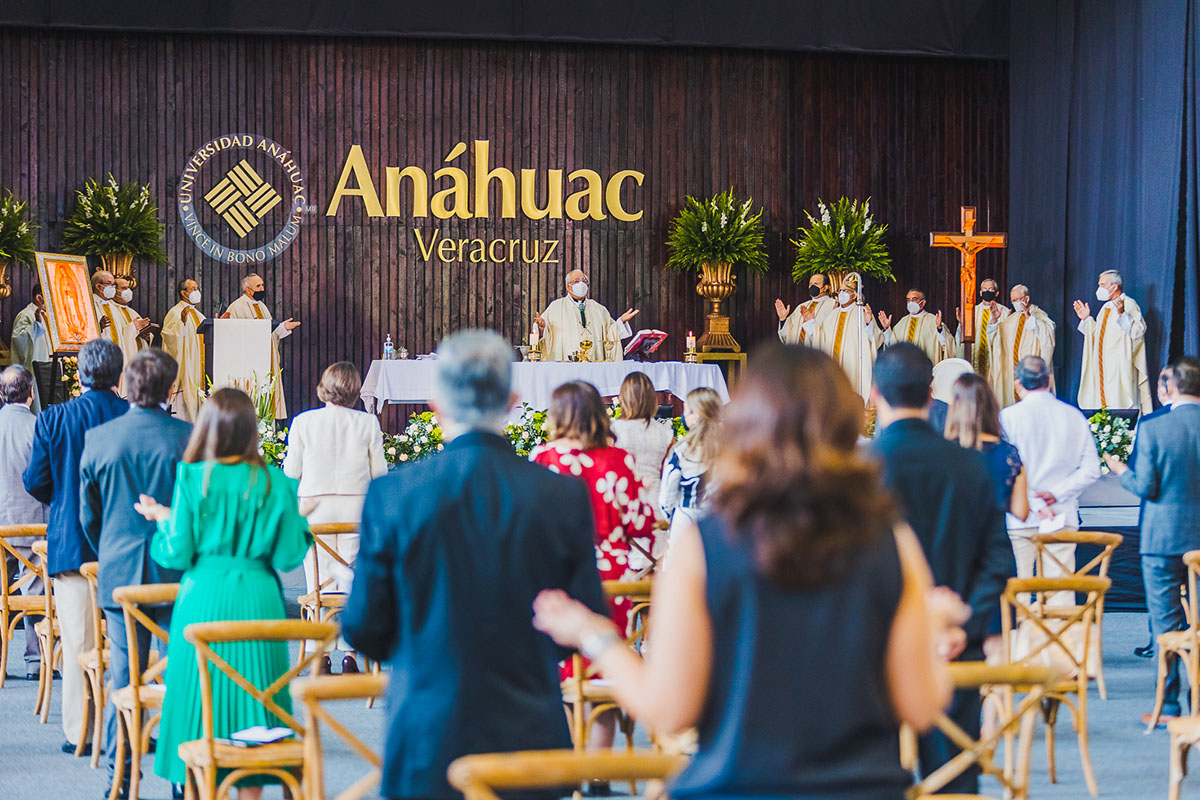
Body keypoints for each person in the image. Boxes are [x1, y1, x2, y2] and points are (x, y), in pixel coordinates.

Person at [532, 344, 963, 800]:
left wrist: (593, 633)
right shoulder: (892, 541)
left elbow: (669, 710)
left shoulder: (706, 545)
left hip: (737, 786)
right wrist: (931, 626)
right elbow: (921, 706)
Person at [341, 330, 607, 800]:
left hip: (428, 734)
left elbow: (363, 628)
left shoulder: (394, 495)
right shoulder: (561, 495)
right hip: (530, 734)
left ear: (435, 404)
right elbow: (584, 619)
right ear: (513, 400)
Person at [134, 388, 311, 799]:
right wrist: (301, 528)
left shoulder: (193, 479)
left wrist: (163, 524)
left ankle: (196, 786)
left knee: (198, 699)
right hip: (259, 600)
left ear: (208, 429)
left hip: (203, 599)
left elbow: (177, 551)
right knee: (257, 700)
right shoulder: (276, 483)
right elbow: (288, 556)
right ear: (251, 429)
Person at [871, 343, 1014, 794]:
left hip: (875, 659)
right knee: (953, 781)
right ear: (932, 392)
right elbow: (998, 561)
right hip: (956, 652)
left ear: (874, 393)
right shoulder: (970, 466)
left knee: (873, 781)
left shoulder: (859, 470)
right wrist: (964, 627)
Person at [79, 348, 191, 794]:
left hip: (120, 572)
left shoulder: (101, 438)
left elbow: (89, 515)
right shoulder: (190, 437)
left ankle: (120, 780)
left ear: (126, 385)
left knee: (123, 679)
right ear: (169, 389)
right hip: (176, 572)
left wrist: (108, 549)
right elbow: (195, 510)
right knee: (181, 675)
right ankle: (184, 778)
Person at [22, 338, 129, 754]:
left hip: (71, 544)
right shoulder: (132, 414)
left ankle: (80, 732)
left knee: (78, 642)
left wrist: (65, 500)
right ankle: (129, 724)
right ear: (119, 375)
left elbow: (35, 481)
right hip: (124, 546)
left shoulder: (55, 418)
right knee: (128, 642)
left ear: (79, 375)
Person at [1104, 356, 1200, 725]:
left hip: (1162, 541)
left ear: (1171, 387)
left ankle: (1171, 706)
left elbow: (1145, 487)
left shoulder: (1155, 428)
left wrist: (1120, 470)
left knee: (1167, 624)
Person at [282, 361, 387, 675]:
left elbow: (291, 472)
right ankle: (351, 654)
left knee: (318, 585)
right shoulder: (368, 423)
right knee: (351, 583)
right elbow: (380, 474)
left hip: (316, 511)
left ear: (323, 387)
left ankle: (321, 654)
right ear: (355, 391)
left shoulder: (304, 422)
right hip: (356, 512)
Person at [1000, 356, 1101, 583]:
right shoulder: (1073, 415)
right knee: (1060, 590)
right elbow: (1092, 469)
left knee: (1019, 593)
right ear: (1051, 380)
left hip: (1020, 518)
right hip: (1061, 515)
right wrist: (1055, 495)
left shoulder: (1007, 418)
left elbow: (1006, 471)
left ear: (1017, 384)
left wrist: (1034, 503)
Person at [0, 365, 48, 680]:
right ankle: (36, 661)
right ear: (30, 393)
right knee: (37, 587)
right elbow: (46, 477)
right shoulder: (39, 426)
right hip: (30, 523)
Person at [945, 372, 1030, 521]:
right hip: (996, 539)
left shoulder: (944, 452)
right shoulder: (1009, 453)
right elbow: (1021, 511)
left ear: (955, 409)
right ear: (991, 406)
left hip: (957, 540)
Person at [223, 273, 301, 419]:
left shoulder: (262, 307)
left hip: (267, 362)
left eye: (262, 285)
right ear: (247, 289)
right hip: (250, 364)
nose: (262, 288)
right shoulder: (236, 307)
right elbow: (232, 337)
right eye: (258, 286)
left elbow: (270, 334)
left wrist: (284, 327)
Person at [1073, 269, 1152, 412]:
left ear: (1114, 286)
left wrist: (1122, 314)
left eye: (1102, 284)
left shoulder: (1129, 304)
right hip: (1103, 367)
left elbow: (1138, 331)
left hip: (1119, 367)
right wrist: (1086, 319)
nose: (1099, 289)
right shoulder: (1105, 308)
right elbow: (1097, 335)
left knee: (1120, 404)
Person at [800, 273, 881, 400]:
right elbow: (821, 340)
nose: (841, 293)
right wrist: (811, 322)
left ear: (855, 295)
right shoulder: (832, 315)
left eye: (846, 291)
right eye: (840, 290)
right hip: (834, 369)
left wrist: (868, 323)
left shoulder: (862, 313)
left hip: (853, 368)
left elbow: (875, 340)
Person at [659, 387, 721, 547]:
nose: (683, 416)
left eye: (687, 411)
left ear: (696, 416)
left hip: (686, 519)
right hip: (718, 522)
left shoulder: (682, 451)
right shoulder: (730, 448)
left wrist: (669, 515)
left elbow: (668, 493)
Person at [534, 269, 638, 361]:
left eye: (584, 281)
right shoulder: (556, 307)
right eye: (576, 281)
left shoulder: (599, 309)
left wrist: (621, 322)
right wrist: (541, 329)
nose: (581, 284)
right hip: (566, 364)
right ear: (568, 287)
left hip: (594, 364)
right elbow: (541, 335)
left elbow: (610, 336)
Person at [609, 371, 674, 518]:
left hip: (623, 502)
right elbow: (669, 472)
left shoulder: (613, 430)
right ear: (652, 398)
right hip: (656, 503)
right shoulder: (665, 432)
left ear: (623, 398)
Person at [993, 284, 1056, 408]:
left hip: (1031, 372)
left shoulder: (1038, 315)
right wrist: (994, 322)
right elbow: (997, 337)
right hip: (1013, 372)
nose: (1016, 303)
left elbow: (1048, 335)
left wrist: (1030, 319)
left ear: (1026, 299)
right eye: (1013, 301)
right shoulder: (1012, 319)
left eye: (1018, 299)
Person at [161, 278, 207, 421]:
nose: (197, 291)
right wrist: (182, 323)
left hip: (200, 367)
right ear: (183, 293)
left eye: (197, 288)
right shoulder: (175, 313)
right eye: (193, 289)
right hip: (187, 367)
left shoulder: (199, 315)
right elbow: (168, 337)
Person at [955, 277, 1009, 399]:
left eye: (990, 289)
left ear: (997, 293)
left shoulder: (1004, 312)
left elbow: (1006, 339)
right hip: (975, 359)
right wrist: (962, 325)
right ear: (980, 293)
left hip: (994, 361)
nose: (987, 292)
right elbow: (960, 338)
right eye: (984, 289)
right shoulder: (971, 312)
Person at [880, 288, 952, 364]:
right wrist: (887, 329)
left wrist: (939, 329)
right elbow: (893, 346)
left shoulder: (933, 321)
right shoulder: (902, 322)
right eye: (908, 300)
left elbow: (946, 346)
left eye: (914, 299)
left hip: (925, 370)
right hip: (904, 369)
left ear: (923, 302)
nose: (910, 302)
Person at [10, 285, 52, 412]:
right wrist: (36, 325)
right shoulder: (25, 315)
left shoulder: (49, 315)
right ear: (39, 297)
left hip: (50, 367)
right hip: (35, 371)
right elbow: (19, 340)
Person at [775, 271, 835, 346]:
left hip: (816, 355)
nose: (812, 286)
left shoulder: (833, 305)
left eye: (816, 284)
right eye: (810, 284)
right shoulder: (801, 306)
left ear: (825, 287)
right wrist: (783, 319)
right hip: (798, 354)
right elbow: (787, 335)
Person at [110, 275, 155, 362]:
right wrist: (133, 329)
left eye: (128, 288)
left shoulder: (132, 312)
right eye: (124, 288)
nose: (128, 291)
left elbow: (144, 335)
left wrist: (146, 336)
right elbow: (115, 336)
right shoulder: (110, 310)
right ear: (114, 290)